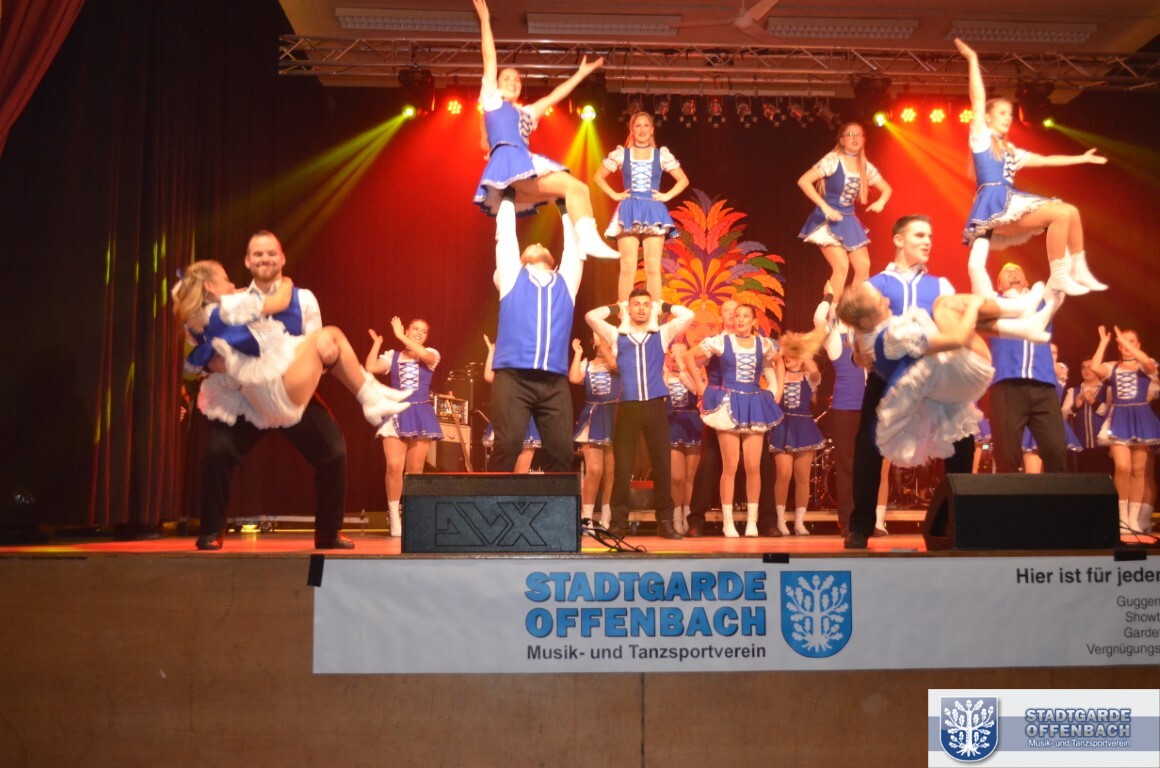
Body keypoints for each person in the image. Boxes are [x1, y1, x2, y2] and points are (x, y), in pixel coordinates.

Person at [176, 234, 410, 551]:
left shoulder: (304, 299)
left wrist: (323, 356)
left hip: (288, 387)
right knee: (217, 453)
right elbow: (194, 349)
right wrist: (210, 363)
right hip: (246, 395)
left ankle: (328, 532)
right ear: (247, 261)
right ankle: (211, 530)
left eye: (271, 253)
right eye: (257, 254)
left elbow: (315, 351)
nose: (265, 259)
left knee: (334, 452)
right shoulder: (233, 301)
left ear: (282, 258)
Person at [844, 215, 1048, 549]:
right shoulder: (874, 286)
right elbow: (860, 343)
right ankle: (860, 527)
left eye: (930, 236)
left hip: (937, 376)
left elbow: (958, 328)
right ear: (898, 240)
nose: (927, 241)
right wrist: (859, 355)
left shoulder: (939, 286)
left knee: (961, 443)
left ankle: (957, 524)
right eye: (919, 235)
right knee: (868, 447)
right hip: (890, 380)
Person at [836, 281, 1053, 468]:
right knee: (944, 305)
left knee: (951, 314)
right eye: (880, 303)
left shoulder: (868, 337)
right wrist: (975, 305)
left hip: (949, 383)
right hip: (970, 369)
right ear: (866, 320)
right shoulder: (895, 336)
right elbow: (957, 340)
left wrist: (856, 355)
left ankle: (1025, 326)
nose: (887, 300)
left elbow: (857, 336)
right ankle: (1020, 308)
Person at [955, 38, 1108, 297]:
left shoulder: (1011, 151)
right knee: (1060, 214)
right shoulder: (981, 138)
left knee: (1070, 211)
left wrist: (1082, 158)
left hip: (1010, 203)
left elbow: (1047, 160)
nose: (1008, 117)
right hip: (995, 204)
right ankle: (1059, 275)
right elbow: (978, 99)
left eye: (1010, 113)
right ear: (988, 117)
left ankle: (1078, 268)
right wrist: (972, 60)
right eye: (1002, 113)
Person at [471, 0, 619, 260]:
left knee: (573, 191)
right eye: (507, 78)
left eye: (517, 79)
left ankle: (582, 242)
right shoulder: (492, 99)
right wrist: (484, 18)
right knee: (574, 188)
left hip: (522, 166)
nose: (513, 82)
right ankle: (586, 241)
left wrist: (580, 75)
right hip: (510, 164)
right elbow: (489, 56)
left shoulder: (526, 113)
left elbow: (554, 96)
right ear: (496, 83)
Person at [585, 289, 694, 539]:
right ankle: (618, 523)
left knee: (662, 464)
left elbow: (688, 315)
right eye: (636, 304)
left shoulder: (661, 335)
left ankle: (665, 522)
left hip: (655, 405)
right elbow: (591, 316)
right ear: (630, 308)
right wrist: (618, 307)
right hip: (629, 406)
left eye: (646, 304)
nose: (642, 308)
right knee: (622, 467)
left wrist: (663, 305)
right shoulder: (617, 336)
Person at [489, 195, 581, 472]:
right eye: (532, 245)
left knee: (562, 450)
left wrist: (565, 208)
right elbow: (506, 235)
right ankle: (492, 500)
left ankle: (555, 503)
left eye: (543, 245)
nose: (539, 243)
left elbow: (575, 247)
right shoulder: (512, 276)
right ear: (521, 260)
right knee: (508, 445)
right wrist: (508, 197)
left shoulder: (566, 281)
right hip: (513, 377)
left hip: (554, 381)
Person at [690, 304, 783, 538]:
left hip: (754, 404)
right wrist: (701, 387)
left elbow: (777, 363)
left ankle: (753, 522)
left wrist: (777, 391)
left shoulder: (763, 343)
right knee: (728, 465)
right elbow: (689, 357)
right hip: (727, 403)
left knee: (754, 466)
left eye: (745, 316)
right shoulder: (721, 342)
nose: (739, 319)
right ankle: (726, 522)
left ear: (753, 321)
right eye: (736, 315)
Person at [976, 260, 1068, 474]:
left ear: (1027, 281)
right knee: (1006, 456)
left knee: (1056, 452)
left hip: (1043, 387)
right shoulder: (993, 304)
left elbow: (1060, 274)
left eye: (1017, 270)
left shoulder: (1044, 302)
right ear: (998, 284)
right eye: (1006, 271)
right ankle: (1011, 497)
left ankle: (1058, 497)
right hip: (1007, 388)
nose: (1013, 272)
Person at [593, 110, 690, 302]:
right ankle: (624, 312)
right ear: (631, 129)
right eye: (638, 125)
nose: (642, 129)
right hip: (629, 209)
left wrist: (666, 195)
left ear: (652, 129)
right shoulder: (622, 154)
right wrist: (614, 194)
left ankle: (654, 312)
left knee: (653, 267)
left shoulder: (661, 155)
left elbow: (683, 180)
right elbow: (598, 176)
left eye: (646, 125)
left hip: (653, 210)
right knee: (627, 266)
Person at [797, 122, 892, 302]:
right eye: (850, 134)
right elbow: (804, 181)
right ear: (841, 140)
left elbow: (886, 189)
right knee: (841, 266)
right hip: (826, 219)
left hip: (849, 219)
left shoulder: (864, 166)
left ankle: (851, 311)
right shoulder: (833, 160)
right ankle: (831, 311)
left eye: (859, 135)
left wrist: (881, 202)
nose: (855, 138)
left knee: (863, 266)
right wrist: (825, 207)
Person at [366, 317, 442, 537]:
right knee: (394, 466)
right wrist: (377, 344)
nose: (419, 333)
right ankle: (394, 515)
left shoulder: (431, 354)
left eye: (424, 331)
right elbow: (371, 367)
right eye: (415, 329)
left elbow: (425, 355)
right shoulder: (393, 356)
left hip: (420, 413)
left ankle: (411, 514)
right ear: (407, 330)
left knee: (415, 470)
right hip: (397, 412)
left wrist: (400, 336)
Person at [1091, 325, 1160, 535]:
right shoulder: (1112, 367)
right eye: (1123, 342)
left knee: (1139, 470)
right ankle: (1121, 519)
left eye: (1132, 341)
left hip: (1141, 418)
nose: (1127, 346)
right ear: (1119, 347)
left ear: (1138, 345)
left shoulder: (1145, 365)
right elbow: (1095, 367)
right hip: (1119, 418)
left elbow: (1148, 363)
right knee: (1122, 467)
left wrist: (1126, 341)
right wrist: (1104, 342)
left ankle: (1134, 520)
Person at [767, 337, 826, 536]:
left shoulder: (809, 377)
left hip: (804, 427)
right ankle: (780, 520)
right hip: (783, 426)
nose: (788, 357)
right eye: (787, 354)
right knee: (783, 474)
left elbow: (815, 370)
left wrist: (800, 348)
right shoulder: (778, 376)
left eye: (793, 354)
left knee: (802, 476)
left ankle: (800, 522)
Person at [569, 333, 620, 528]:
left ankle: (606, 518)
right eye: (600, 340)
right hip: (592, 416)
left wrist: (607, 347)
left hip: (613, 416)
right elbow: (574, 378)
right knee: (595, 470)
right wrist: (577, 354)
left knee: (611, 472)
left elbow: (616, 367)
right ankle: (587, 518)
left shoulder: (616, 364)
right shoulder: (587, 364)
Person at [483, 333, 540, 473]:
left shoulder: (532, 364)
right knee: (502, 469)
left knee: (521, 474)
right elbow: (489, 376)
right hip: (506, 416)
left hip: (525, 418)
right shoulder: (504, 367)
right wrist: (491, 351)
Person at [664, 340, 702, 534]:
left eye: (681, 353)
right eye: (674, 353)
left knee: (690, 477)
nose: (677, 356)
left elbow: (697, 390)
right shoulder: (665, 375)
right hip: (673, 424)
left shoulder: (695, 374)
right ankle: (675, 515)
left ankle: (688, 515)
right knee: (676, 477)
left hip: (692, 424)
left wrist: (683, 366)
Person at [1067, 358, 1111, 473]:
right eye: (1083, 368)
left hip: (1103, 446)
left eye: (1090, 367)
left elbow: (1111, 413)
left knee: (1104, 477)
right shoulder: (1073, 391)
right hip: (1081, 446)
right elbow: (1063, 415)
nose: (1086, 370)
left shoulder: (1107, 390)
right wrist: (1075, 406)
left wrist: (1094, 402)